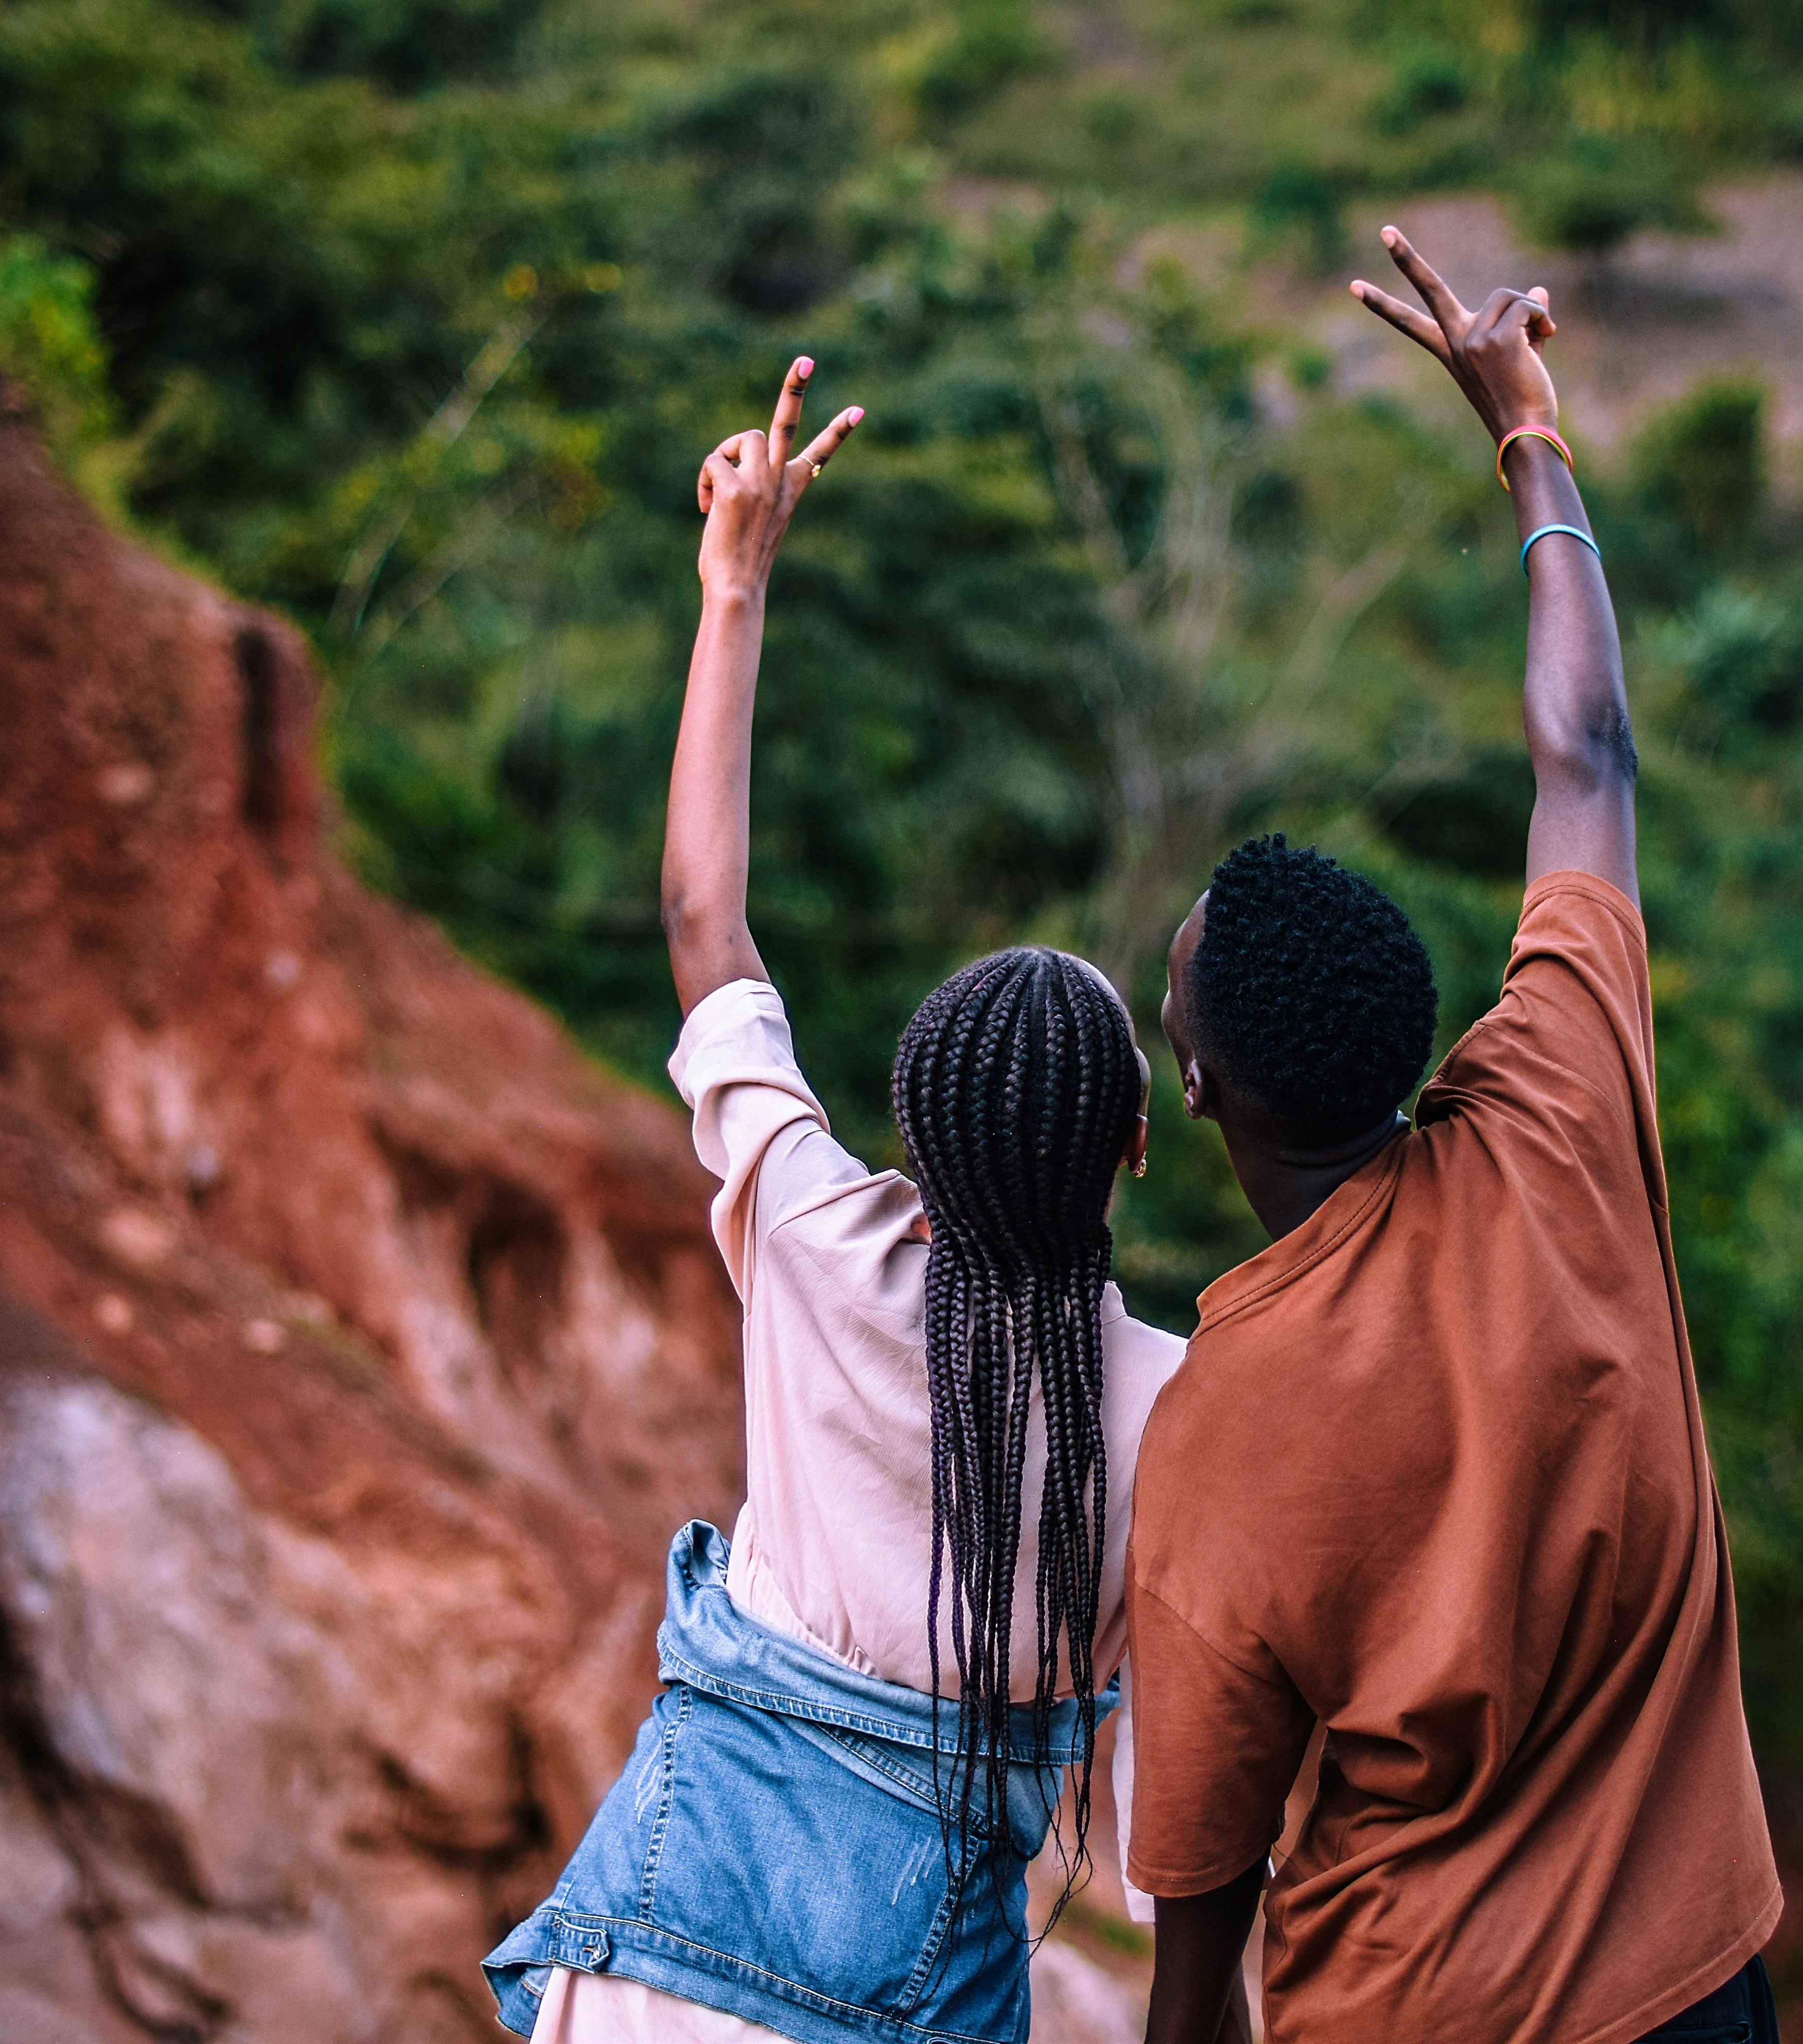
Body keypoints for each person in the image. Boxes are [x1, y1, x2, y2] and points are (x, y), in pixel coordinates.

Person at [483, 361, 1193, 2044]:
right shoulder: (1184, 1411)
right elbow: (1174, 1832)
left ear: (911, 1145)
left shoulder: (814, 1238)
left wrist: (735, 585)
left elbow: (703, 925)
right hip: (903, 2002)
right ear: (1137, 1153)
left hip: (655, 1953)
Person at [1125, 229, 1783, 2044]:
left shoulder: (1220, 1431)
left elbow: (1197, 1953)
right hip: (1702, 1986)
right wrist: (1529, 429)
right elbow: (1590, 759)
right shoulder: (1561, 1110)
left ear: (1200, 1095)